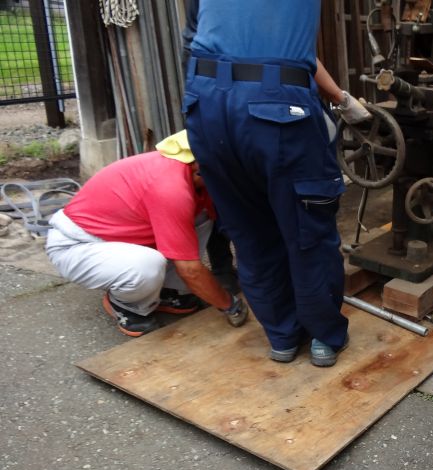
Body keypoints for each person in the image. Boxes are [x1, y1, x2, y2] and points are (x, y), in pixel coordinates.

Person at [183, 2, 367, 367]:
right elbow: (292, 55)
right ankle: (323, 336)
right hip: (278, 105)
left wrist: (338, 97)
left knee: (249, 230)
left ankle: (282, 337)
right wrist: (343, 100)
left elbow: (193, 40)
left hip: (205, 103)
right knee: (307, 230)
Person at [45, 130, 248, 337]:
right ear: (200, 168)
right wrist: (230, 304)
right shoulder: (171, 188)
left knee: (201, 216)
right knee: (148, 266)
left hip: (116, 236)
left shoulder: (187, 168)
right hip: (77, 245)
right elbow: (190, 270)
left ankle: (167, 290)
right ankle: (126, 305)